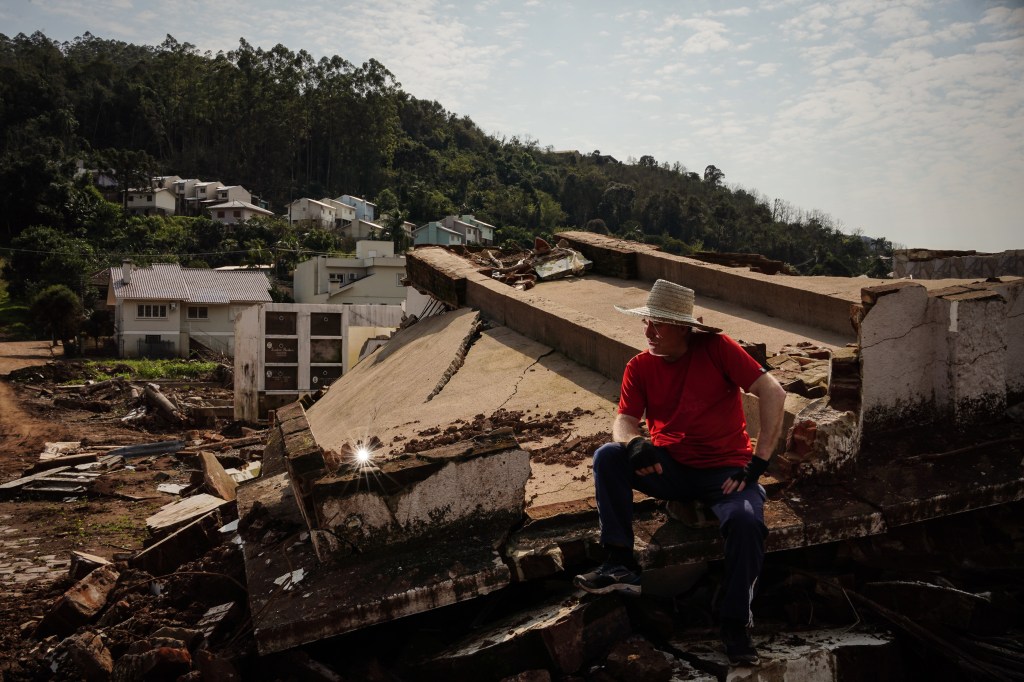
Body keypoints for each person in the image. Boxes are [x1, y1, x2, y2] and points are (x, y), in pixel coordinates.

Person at [574, 279, 786, 667]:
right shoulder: (639, 366)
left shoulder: (718, 349)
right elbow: (623, 419)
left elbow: (773, 391)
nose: (650, 332)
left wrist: (759, 462)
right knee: (608, 455)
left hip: (725, 471)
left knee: (745, 522)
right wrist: (634, 443)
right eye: (648, 322)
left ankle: (735, 624)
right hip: (668, 466)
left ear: (685, 327)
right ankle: (619, 562)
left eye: (661, 323)